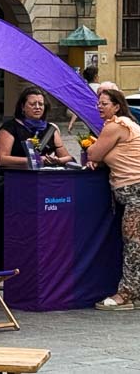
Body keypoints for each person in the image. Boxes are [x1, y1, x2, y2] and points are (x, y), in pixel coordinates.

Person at [0, 86, 73, 269]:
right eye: (33, 104)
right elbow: (3, 158)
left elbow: (67, 157)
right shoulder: (10, 128)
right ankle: (7, 269)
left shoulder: (51, 129)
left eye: (41, 104)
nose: (38, 107)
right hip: (15, 188)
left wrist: (56, 160)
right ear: (23, 107)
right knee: (14, 230)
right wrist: (33, 161)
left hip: (42, 188)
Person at [83, 89, 140, 310]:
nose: (99, 106)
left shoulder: (116, 126)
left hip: (135, 192)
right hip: (132, 192)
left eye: (104, 103)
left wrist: (96, 157)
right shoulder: (127, 125)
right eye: (98, 103)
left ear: (117, 106)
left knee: (133, 245)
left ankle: (125, 294)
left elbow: (93, 153)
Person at [67, 65, 100, 134]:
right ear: (96, 76)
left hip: (89, 121)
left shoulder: (84, 90)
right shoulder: (101, 88)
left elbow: (78, 107)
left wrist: (71, 123)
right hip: (101, 120)